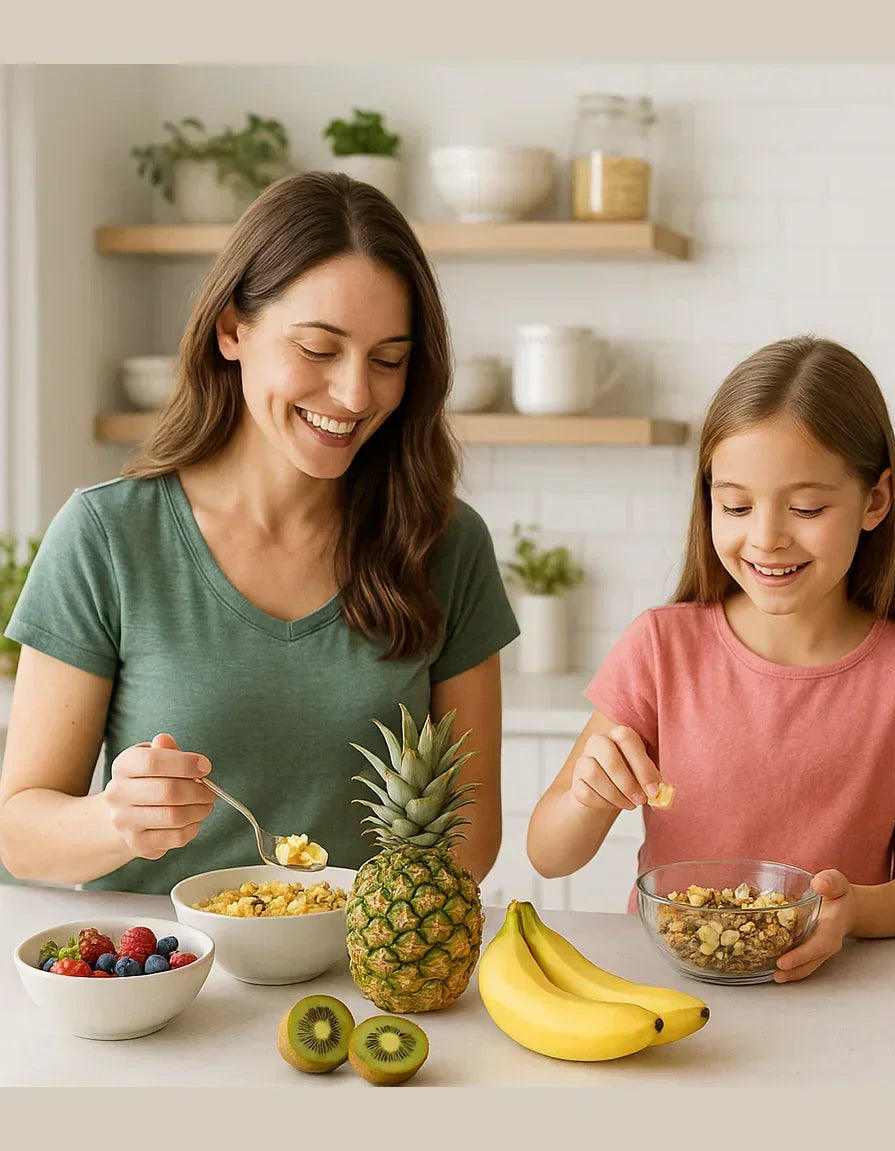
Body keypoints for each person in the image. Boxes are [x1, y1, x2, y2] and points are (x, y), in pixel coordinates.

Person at [0, 171, 519, 892]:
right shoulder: (108, 536)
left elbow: (472, 836)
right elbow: (20, 837)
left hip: (356, 981)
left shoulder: (446, 543)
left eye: (388, 360)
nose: (355, 394)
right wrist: (114, 819)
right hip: (163, 981)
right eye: (317, 348)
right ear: (231, 328)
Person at [526, 336, 895, 981]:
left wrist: (852, 910)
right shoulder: (661, 648)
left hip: (842, 996)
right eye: (736, 506)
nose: (766, 538)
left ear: (875, 501)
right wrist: (589, 796)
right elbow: (549, 855)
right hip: (669, 980)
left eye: (806, 508)